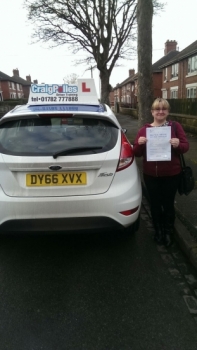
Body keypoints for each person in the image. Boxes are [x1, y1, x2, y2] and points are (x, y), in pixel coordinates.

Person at [133, 98, 189, 247]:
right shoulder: (144, 130)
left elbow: (185, 146)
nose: (160, 111)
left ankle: (168, 232)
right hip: (151, 175)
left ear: (168, 112)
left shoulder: (175, 127)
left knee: (168, 204)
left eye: (164, 109)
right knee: (155, 205)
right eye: (157, 109)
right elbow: (136, 153)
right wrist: (139, 144)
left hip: (172, 175)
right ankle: (158, 230)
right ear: (152, 112)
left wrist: (178, 144)